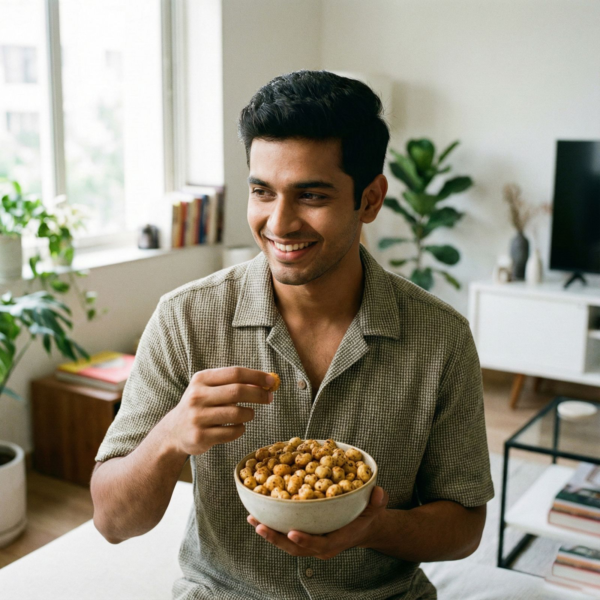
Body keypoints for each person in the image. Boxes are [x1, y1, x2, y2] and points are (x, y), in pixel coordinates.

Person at [91, 70, 494, 600]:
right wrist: (168, 438)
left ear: (370, 200)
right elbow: (112, 522)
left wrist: (371, 527)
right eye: (263, 191)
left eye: (311, 195)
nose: (279, 224)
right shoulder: (184, 319)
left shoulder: (441, 338)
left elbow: (464, 526)